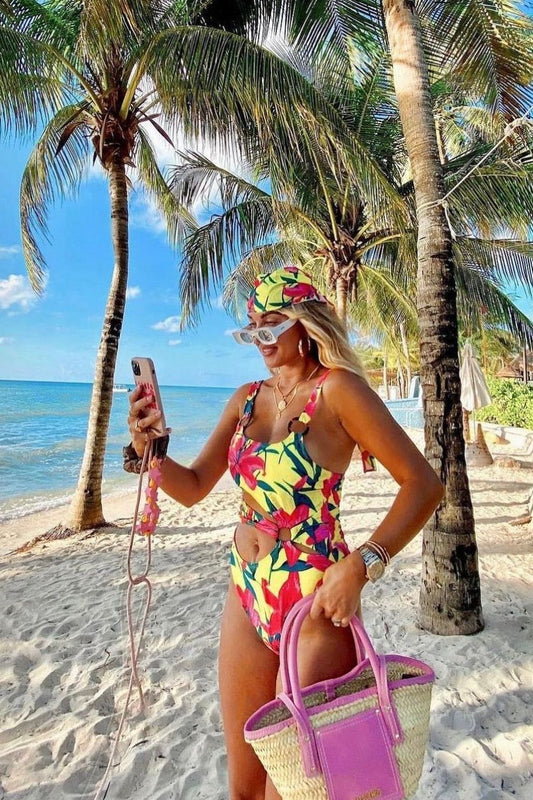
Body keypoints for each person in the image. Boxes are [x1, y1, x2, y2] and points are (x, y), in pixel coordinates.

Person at [126, 266, 443, 800]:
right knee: (245, 782)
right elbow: (194, 486)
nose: (261, 341)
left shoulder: (339, 392)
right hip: (247, 592)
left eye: (272, 325)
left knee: (293, 786)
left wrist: (364, 563)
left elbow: (423, 484)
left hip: (317, 600)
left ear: (305, 323)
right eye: (252, 329)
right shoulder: (246, 398)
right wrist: (146, 447)